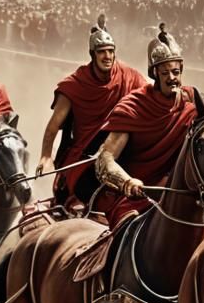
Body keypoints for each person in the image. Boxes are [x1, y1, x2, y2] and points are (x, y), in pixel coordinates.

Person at [92, 29, 198, 229]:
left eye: (176, 72)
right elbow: (104, 159)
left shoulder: (192, 101)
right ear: (155, 73)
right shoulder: (134, 106)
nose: (171, 78)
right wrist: (127, 182)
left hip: (180, 195)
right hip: (140, 196)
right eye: (165, 72)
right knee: (124, 232)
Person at [41, 23, 145, 207]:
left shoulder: (128, 76)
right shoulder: (75, 84)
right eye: (102, 52)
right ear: (92, 54)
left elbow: (149, 95)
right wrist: (46, 156)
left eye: (111, 51)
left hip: (121, 149)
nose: (107, 56)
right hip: (85, 156)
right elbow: (53, 126)